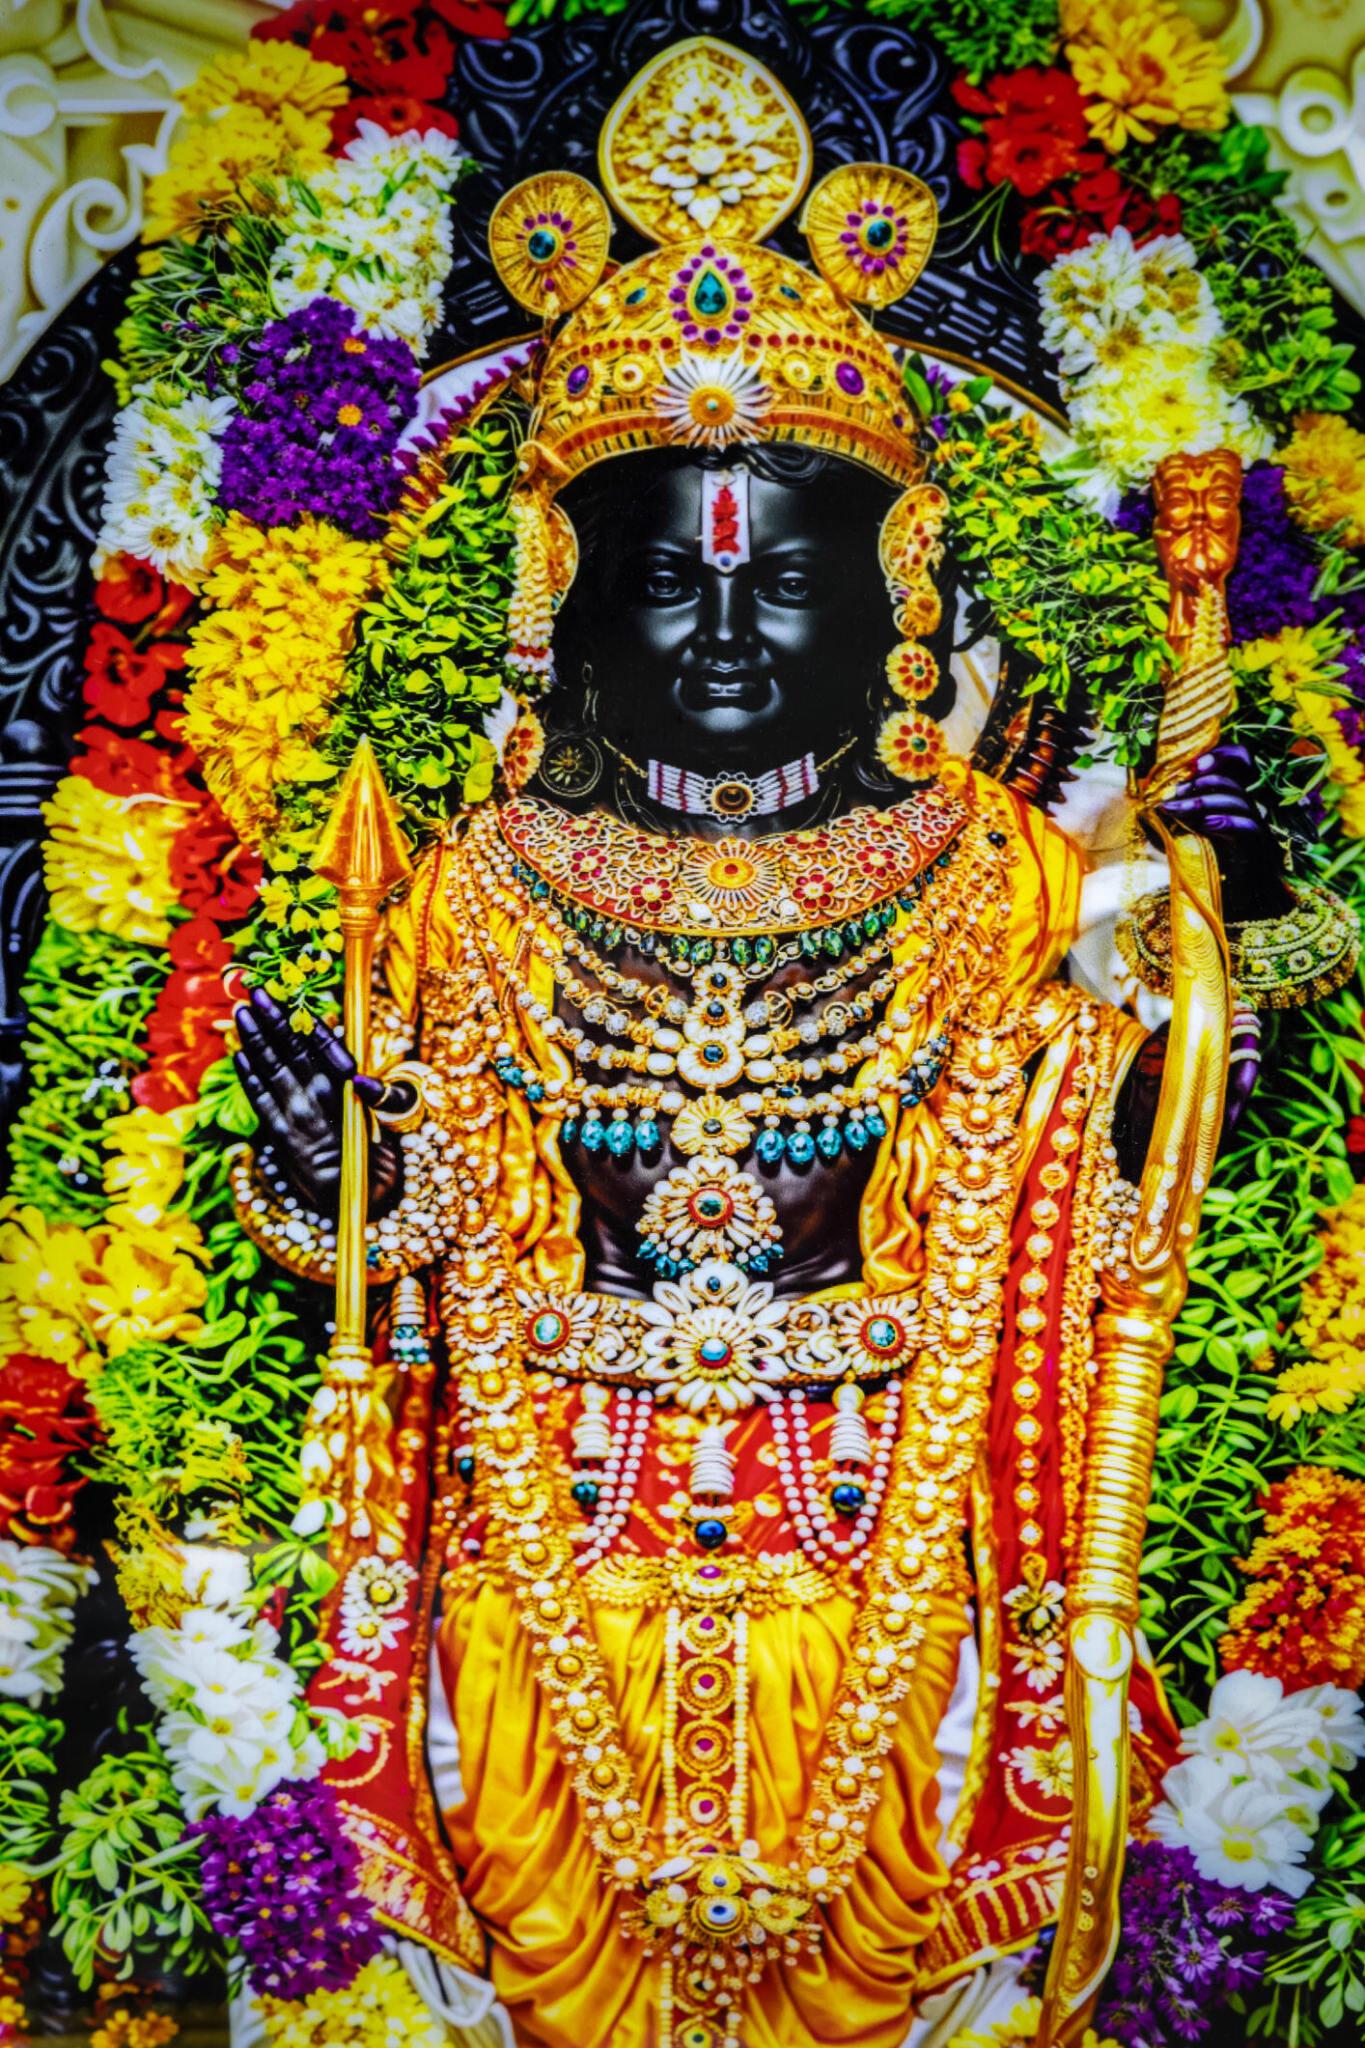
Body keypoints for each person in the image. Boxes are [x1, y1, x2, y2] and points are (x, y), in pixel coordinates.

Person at [228, 40, 1308, 2048]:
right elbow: (418, 1258)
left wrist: (1166, 1037)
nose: (722, 620)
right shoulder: (473, 888)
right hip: (542, 1569)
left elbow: (1092, 1184)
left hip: (892, 1562)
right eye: (665, 568)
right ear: (556, 593)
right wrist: (330, 1162)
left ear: (902, 591)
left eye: (780, 565)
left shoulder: (993, 885)